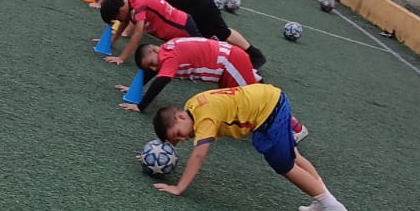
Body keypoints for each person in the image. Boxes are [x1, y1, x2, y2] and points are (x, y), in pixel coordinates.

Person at [150, 84, 347, 211]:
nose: (182, 139)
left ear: (180, 117)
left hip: (268, 111)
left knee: (283, 164)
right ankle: (323, 199)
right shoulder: (192, 106)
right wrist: (159, 151)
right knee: (294, 156)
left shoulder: (205, 118)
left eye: (178, 134)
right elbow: (188, 132)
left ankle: (331, 205)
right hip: (270, 99)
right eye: (177, 140)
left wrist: (179, 188)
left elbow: (199, 155)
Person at [119, 39, 307, 143]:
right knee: (245, 97)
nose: (154, 68)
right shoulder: (167, 49)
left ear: (154, 49)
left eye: (152, 63)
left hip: (229, 62)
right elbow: (157, 73)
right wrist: (135, 89)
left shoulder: (169, 56)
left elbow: (162, 80)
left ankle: (296, 128)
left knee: (253, 99)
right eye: (150, 67)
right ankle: (254, 79)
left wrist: (141, 106)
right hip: (225, 65)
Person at [100, 0, 264, 67]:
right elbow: (128, 21)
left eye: (118, 17)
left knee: (219, 34)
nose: (121, 20)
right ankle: (236, 57)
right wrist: (112, 41)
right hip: (187, 13)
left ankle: (253, 54)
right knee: (209, 39)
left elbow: (137, 31)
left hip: (199, 4)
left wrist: (122, 57)